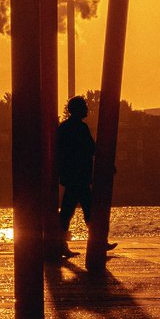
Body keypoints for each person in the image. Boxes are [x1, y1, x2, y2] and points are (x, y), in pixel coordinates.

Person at [54, 95, 116, 259]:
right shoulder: (80, 128)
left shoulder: (64, 128)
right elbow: (92, 149)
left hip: (71, 176)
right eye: (84, 106)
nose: (87, 109)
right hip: (79, 176)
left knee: (69, 212)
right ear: (78, 110)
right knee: (85, 211)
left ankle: (61, 244)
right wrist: (107, 165)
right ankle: (98, 242)